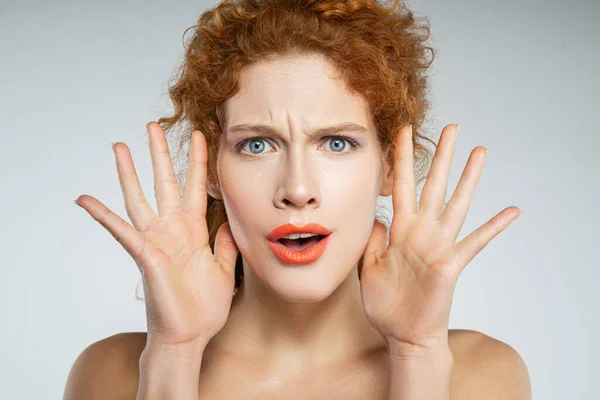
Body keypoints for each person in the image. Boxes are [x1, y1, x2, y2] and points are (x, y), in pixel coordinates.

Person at [64, 0, 531, 399]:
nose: (297, 190)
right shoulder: (112, 375)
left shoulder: (478, 375)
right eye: (257, 145)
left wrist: (417, 354)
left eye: (335, 143)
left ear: (391, 166)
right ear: (209, 170)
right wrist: (175, 353)